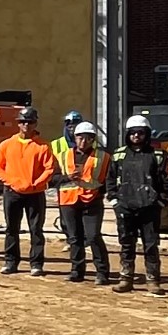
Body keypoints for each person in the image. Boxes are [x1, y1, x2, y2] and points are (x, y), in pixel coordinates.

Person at [108, 115, 168, 296]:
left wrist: (160, 202)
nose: (136, 136)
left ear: (146, 134)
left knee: (150, 245)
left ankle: (153, 280)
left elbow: (167, 182)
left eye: (140, 132)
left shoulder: (157, 156)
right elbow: (110, 179)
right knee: (127, 243)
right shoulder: (119, 155)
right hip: (125, 207)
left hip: (149, 208)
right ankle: (125, 278)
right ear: (128, 134)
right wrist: (114, 201)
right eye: (133, 132)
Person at [0, 107, 55, 277]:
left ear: (35, 123)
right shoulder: (6, 145)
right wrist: (11, 182)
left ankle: (36, 264)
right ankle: (11, 261)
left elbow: (49, 168)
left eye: (30, 121)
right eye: (23, 121)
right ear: (18, 123)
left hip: (35, 193)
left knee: (36, 229)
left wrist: (37, 183)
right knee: (11, 228)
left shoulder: (43, 146)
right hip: (12, 192)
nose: (26, 124)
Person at [51, 122, 112, 286]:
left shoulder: (104, 157)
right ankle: (77, 271)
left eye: (88, 138)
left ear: (93, 139)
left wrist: (104, 193)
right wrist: (67, 178)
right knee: (74, 238)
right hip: (68, 201)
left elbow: (109, 179)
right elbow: (52, 179)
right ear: (75, 138)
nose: (83, 141)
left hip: (92, 201)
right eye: (80, 138)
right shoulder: (62, 156)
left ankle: (102, 272)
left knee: (93, 236)